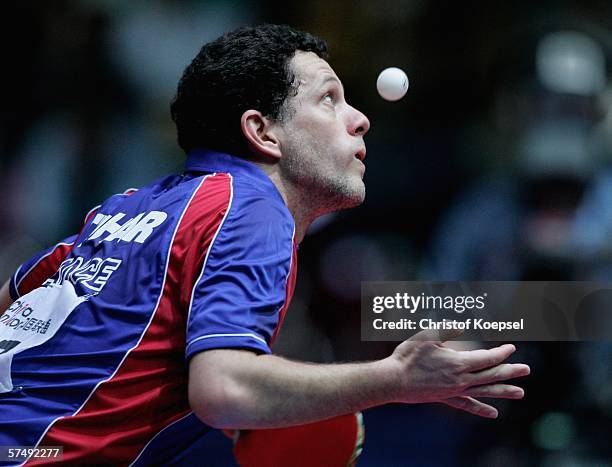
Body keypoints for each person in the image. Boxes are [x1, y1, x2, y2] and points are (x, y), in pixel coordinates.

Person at [0, 24, 529, 465]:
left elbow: (15, 300)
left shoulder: (128, 207)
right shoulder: (252, 207)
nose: (360, 118)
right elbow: (224, 389)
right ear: (263, 132)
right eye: (329, 99)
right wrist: (394, 378)